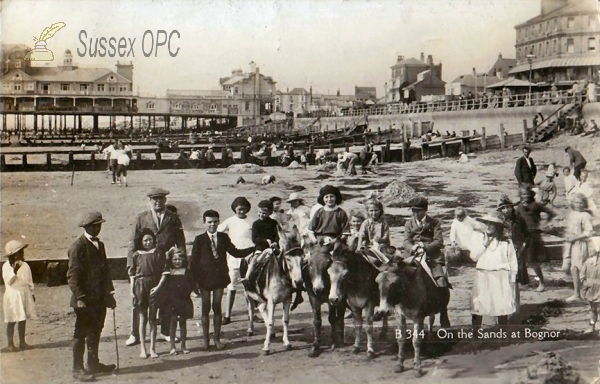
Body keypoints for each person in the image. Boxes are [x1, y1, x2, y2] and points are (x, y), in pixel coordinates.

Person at [126, 188, 186, 347]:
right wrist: (131, 267)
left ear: (165, 200)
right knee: (139, 300)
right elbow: (132, 243)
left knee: (166, 298)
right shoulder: (142, 218)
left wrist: (181, 261)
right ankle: (135, 333)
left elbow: (180, 241)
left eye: (161, 199)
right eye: (155, 199)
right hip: (145, 265)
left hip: (165, 264)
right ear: (150, 201)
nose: (158, 201)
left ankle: (165, 331)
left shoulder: (173, 218)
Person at [190, 210, 254, 350]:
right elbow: (193, 262)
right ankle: (206, 341)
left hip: (219, 277)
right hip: (204, 278)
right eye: (209, 222)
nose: (212, 225)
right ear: (204, 223)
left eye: (215, 221)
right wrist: (194, 283)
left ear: (219, 222)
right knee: (205, 308)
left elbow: (235, 252)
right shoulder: (199, 239)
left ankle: (217, 339)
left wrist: (253, 248)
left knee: (217, 307)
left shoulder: (223, 237)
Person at [67, 212, 116, 382]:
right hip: (84, 300)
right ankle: (77, 368)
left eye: (100, 225)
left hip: (99, 298)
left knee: (96, 330)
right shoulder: (77, 247)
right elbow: (73, 276)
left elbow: (105, 272)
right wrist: (80, 297)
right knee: (80, 333)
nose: (98, 228)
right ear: (87, 227)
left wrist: (110, 294)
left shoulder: (100, 245)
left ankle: (93, 363)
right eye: (95, 225)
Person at [469, 210, 519, 330]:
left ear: (498, 226)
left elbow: (512, 260)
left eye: (492, 224)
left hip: (501, 275)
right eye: (487, 223)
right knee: (478, 303)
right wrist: (484, 244)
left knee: (501, 304)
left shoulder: (506, 241)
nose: (489, 226)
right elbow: (473, 256)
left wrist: (512, 279)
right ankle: (475, 333)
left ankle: (502, 333)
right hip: (483, 274)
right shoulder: (479, 237)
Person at [217, 197, 255, 325]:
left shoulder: (252, 222)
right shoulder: (230, 221)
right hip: (233, 257)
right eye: (239, 209)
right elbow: (217, 232)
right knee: (232, 286)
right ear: (235, 209)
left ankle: (252, 314)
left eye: (244, 209)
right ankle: (227, 315)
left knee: (249, 287)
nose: (241, 211)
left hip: (249, 257)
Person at [150, 247, 194, 355]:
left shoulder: (187, 271)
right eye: (175, 259)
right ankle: (173, 347)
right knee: (172, 323)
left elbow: (191, 285)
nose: (177, 262)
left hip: (184, 300)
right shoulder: (168, 272)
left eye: (179, 259)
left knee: (183, 323)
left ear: (183, 260)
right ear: (171, 260)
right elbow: (165, 286)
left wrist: (186, 293)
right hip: (172, 301)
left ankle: (183, 346)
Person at [130, 229, 165, 359]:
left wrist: (158, 287)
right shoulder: (136, 255)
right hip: (140, 286)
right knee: (143, 318)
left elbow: (164, 272)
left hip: (154, 285)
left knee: (153, 319)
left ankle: (152, 348)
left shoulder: (158, 253)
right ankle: (143, 349)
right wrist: (132, 291)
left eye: (150, 239)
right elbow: (132, 275)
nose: (148, 242)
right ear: (141, 242)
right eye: (145, 240)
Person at [515, 187, 555, 292]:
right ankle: (524, 282)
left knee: (532, 261)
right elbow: (515, 219)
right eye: (523, 194)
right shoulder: (519, 207)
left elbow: (550, 213)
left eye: (527, 194)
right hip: (522, 235)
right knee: (520, 259)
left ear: (531, 194)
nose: (525, 196)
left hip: (533, 236)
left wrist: (543, 224)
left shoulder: (535, 205)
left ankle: (542, 282)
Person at [404, 196, 447, 287]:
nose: (415, 213)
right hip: (412, 255)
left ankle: (441, 299)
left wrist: (424, 246)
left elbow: (438, 241)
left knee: (441, 281)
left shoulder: (435, 222)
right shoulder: (408, 224)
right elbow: (406, 241)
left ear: (425, 210)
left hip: (431, 256)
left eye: (418, 211)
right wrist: (412, 247)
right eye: (413, 211)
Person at [2, 240, 36, 353]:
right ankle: (10, 344)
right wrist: (14, 270)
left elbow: (29, 280)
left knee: (23, 318)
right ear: (13, 254)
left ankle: (22, 341)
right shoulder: (6, 266)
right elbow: (9, 281)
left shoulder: (25, 265)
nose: (22, 254)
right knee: (11, 319)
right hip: (12, 295)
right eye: (20, 252)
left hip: (23, 293)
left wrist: (32, 292)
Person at [564, 194, 594, 302]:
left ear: (584, 204)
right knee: (573, 268)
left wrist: (576, 237)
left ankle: (586, 293)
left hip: (581, 244)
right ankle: (577, 293)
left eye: (581, 203)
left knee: (581, 268)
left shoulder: (585, 215)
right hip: (572, 244)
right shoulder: (572, 214)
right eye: (576, 202)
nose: (578, 205)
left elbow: (588, 232)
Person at [497, 195, 530, 286]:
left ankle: (516, 294)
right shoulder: (499, 222)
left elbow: (527, 234)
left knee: (517, 273)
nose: (506, 210)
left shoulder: (519, 220)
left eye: (508, 207)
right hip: (504, 250)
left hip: (518, 249)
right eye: (503, 208)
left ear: (512, 207)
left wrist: (523, 245)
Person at [581, 239, 600, 333]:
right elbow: (582, 275)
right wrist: (584, 284)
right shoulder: (588, 262)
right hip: (590, 289)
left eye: (591, 247)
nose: (589, 249)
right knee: (592, 309)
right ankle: (592, 325)